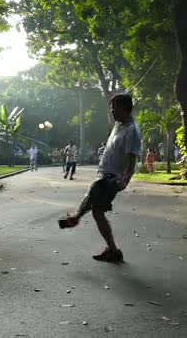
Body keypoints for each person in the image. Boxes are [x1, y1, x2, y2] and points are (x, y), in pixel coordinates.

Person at [58, 94, 141, 263]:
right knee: (95, 205)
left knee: (95, 202)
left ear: (125, 108)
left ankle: (77, 219)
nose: (111, 111)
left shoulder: (132, 130)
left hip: (113, 177)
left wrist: (125, 179)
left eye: (114, 107)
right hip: (105, 174)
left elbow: (132, 158)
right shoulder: (119, 125)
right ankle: (110, 249)